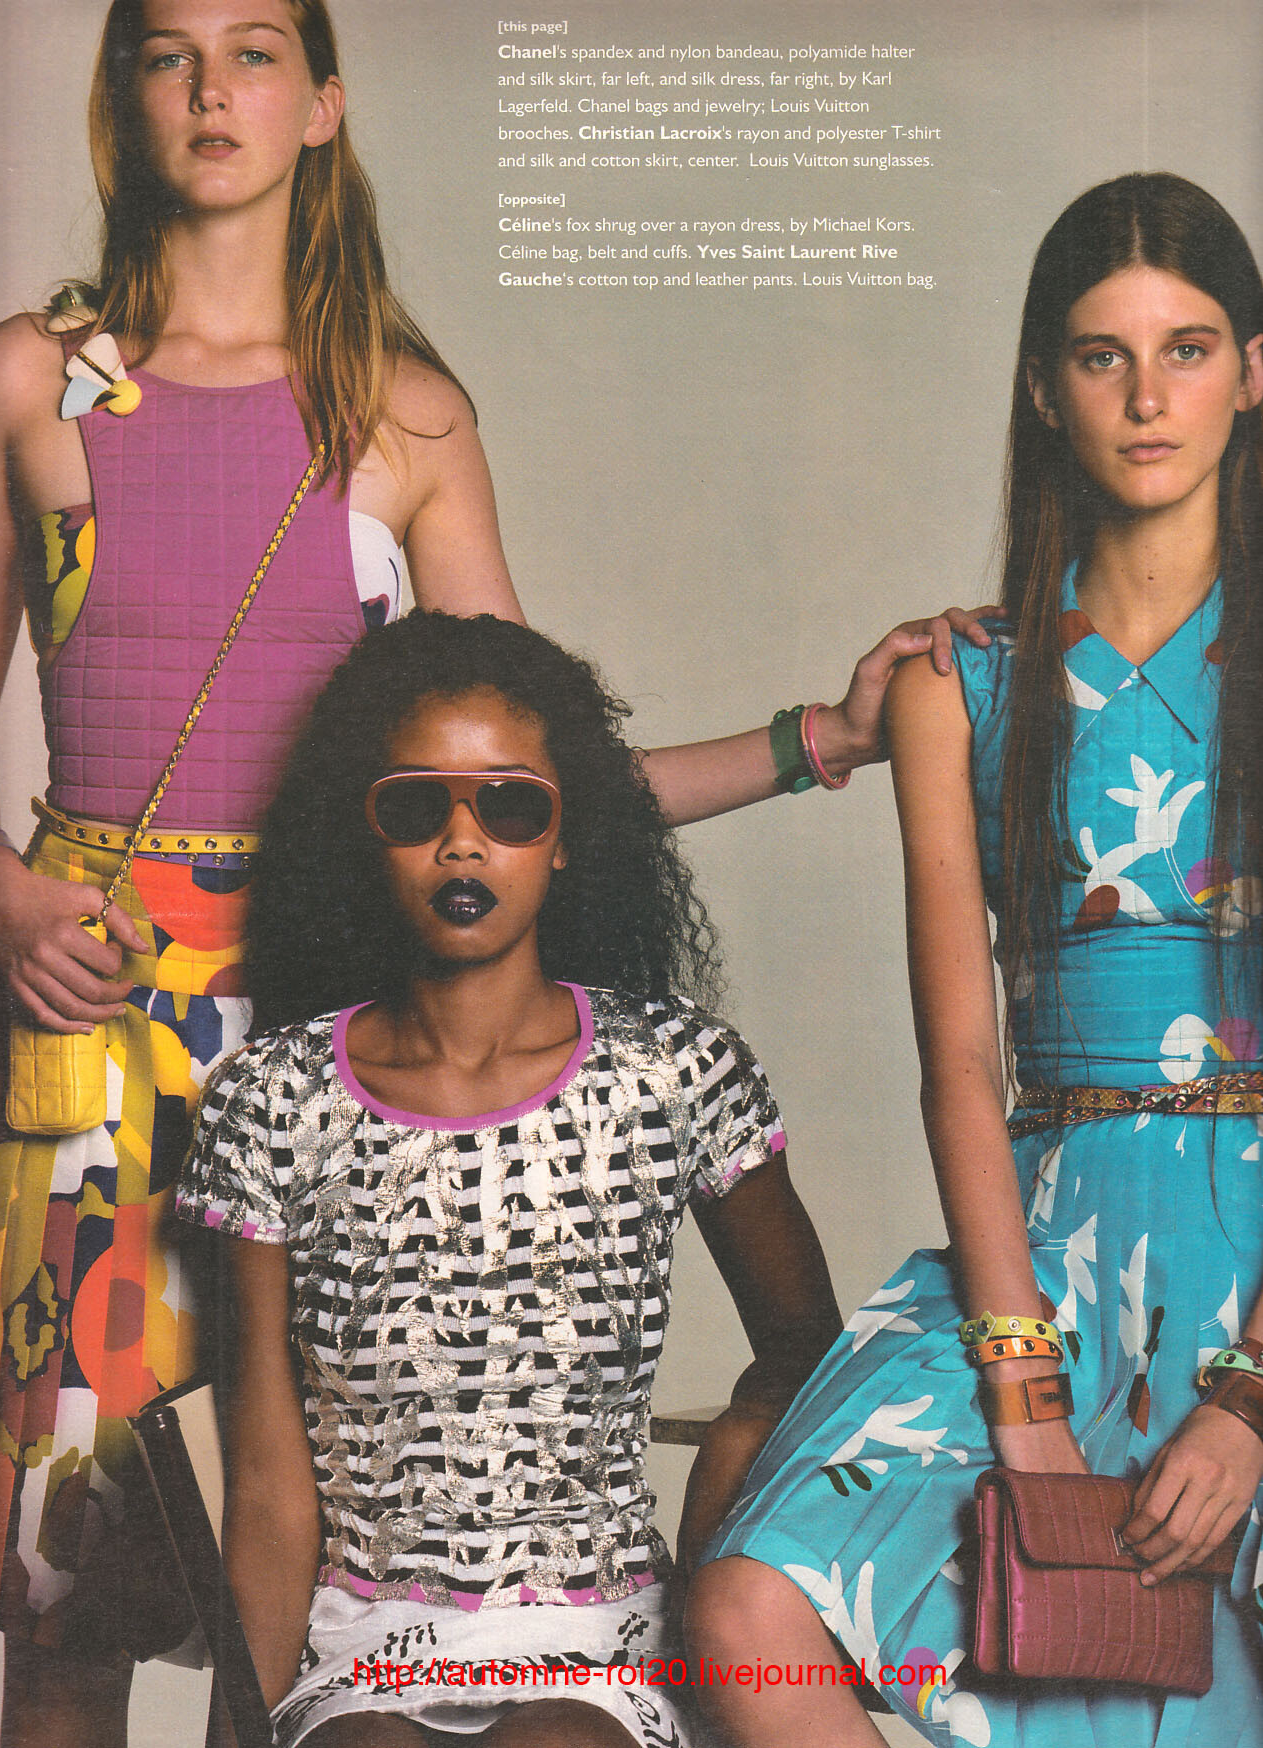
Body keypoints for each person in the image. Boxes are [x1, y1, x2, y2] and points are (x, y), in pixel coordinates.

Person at [0, 4, 993, 1737]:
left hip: (324, 1024)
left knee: (298, 1545)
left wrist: (813, 740)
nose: (211, 89)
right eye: (168, 53)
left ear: (323, 105)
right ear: (121, 93)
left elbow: (528, 775)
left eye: (254, 51)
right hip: (93, 1025)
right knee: (67, 1581)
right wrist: (5, 899)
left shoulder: (405, 414)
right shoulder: (27, 380)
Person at [685, 171, 1263, 1747]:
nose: (1147, 397)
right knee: (746, 1617)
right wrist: (1020, 1385)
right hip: (1043, 1251)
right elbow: (960, 1063)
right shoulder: (965, 684)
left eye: (1189, 349)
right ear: (1043, 387)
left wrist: (1247, 1402)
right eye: (1101, 355)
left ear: (1251, 373)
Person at [176, 607, 841, 1748]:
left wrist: (715, 1564)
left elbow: (805, 1360)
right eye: (415, 807)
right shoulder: (271, 1098)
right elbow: (270, 1483)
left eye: (511, 806)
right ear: (365, 831)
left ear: (565, 834)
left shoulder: (673, 1069)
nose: (463, 843)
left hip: (602, 1635)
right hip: (361, 1640)